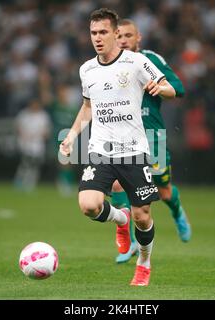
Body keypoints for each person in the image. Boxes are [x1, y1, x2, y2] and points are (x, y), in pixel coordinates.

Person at [60, 8, 176, 286]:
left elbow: (169, 87)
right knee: (88, 205)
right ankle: (119, 220)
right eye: (93, 33)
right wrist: (72, 136)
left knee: (143, 216)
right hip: (101, 149)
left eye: (103, 32)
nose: (97, 38)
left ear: (114, 34)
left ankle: (144, 263)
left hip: (134, 151)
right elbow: (88, 107)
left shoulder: (136, 62)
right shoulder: (86, 69)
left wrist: (160, 89)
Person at [113, 19, 191, 264]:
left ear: (139, 38)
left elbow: (178, 88)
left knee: (163, 192)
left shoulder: (150, 60)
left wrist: (158, 85)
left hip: (151, 137)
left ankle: (177, 212)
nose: (123, 40)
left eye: (128, 35)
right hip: (122, 136)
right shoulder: (108, 63)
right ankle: (132, 241)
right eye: (120, 36)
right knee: (117, 185)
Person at [14, 97, 51, 192]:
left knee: (35, 166)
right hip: (25, 144)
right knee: (25, 164)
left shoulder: (43, 116)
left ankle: (30, 184)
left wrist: (38, 136)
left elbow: (46, 132)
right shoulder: (24, 114)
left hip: (37, 146)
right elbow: (18, 127)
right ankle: (19, 182)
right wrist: (24, 136)